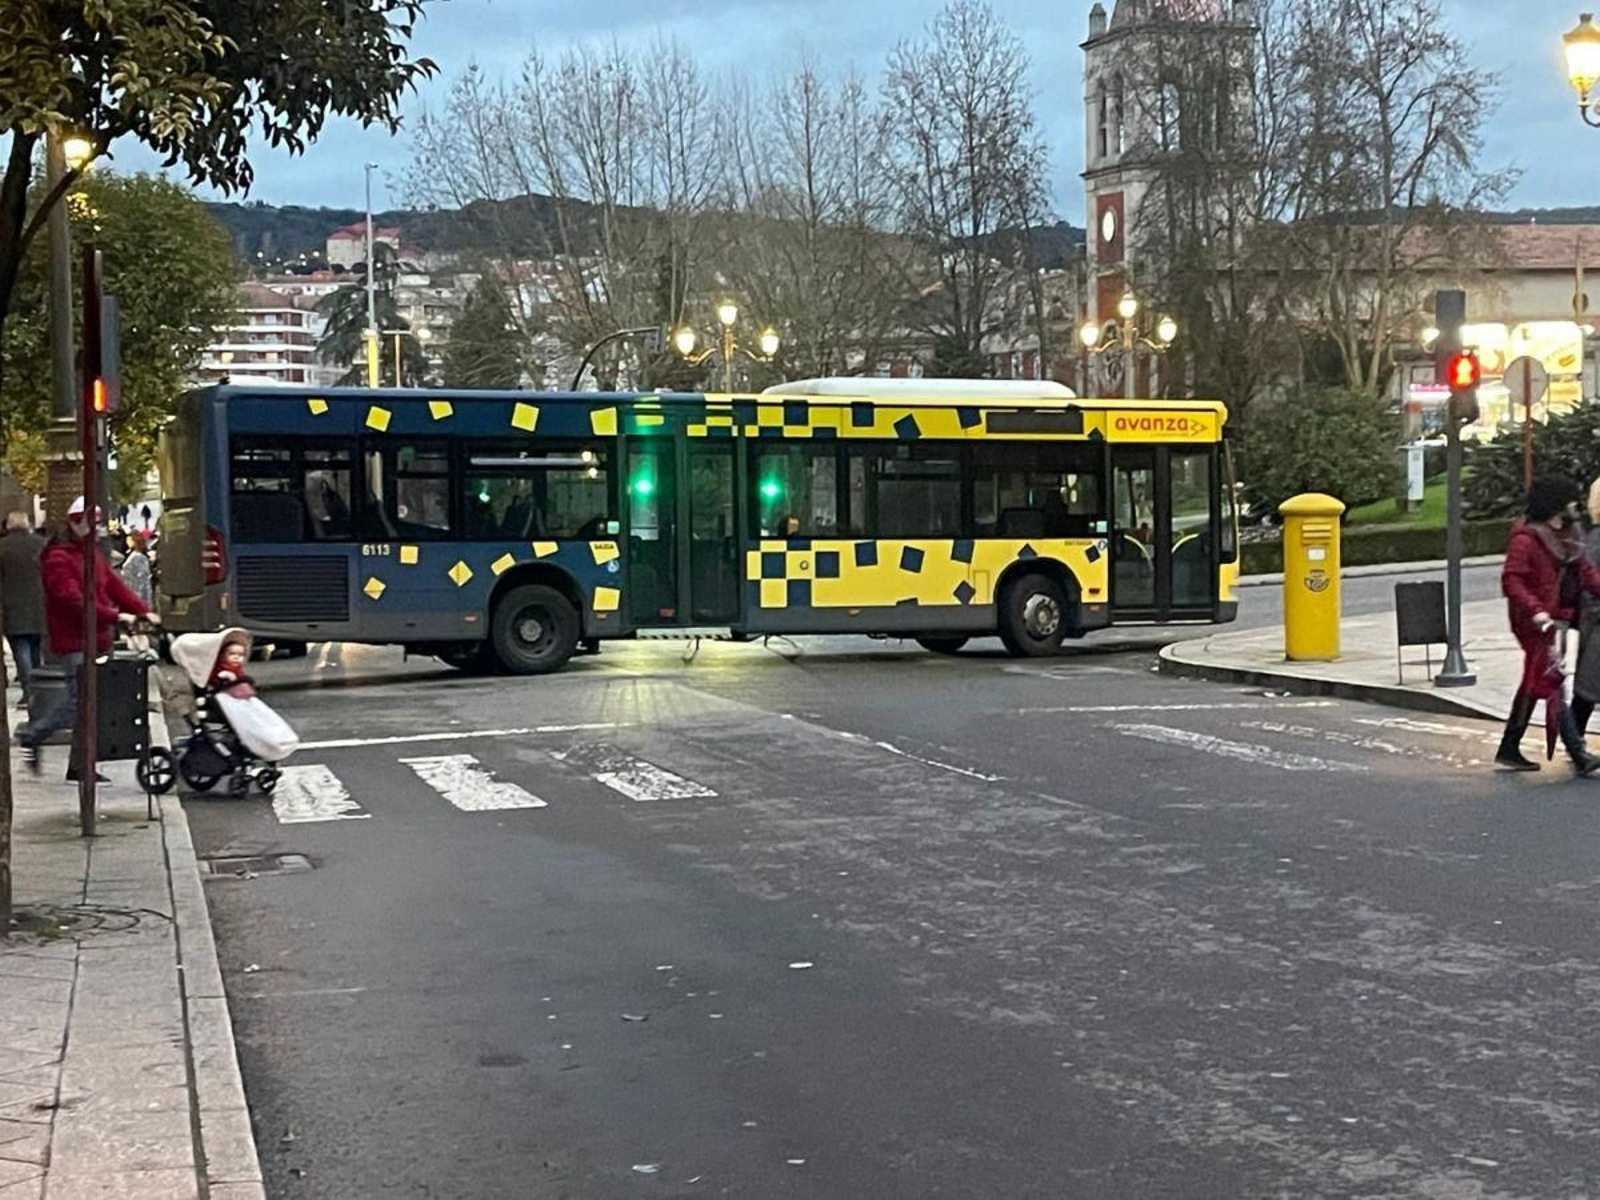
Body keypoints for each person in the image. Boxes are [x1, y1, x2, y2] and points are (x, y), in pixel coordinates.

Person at [18, 497, 153, 776]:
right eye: (91, 523)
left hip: (95, 636)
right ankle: (35, 733)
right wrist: (116, 616)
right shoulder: (58, 558)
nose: (96, 529)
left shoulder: (90, 554)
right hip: (74, 639)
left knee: (88, 704)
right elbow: (73, 601)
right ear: (75, 523)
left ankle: (80, 764)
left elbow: (115, 587)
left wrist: (142, 611)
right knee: (78, 701)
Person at [1497, 476, 1600, 775]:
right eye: (1570, 501)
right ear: (1557, 506)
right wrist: (1536, 611)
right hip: (1533, 623)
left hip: (1556, 619)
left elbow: (1587, 573)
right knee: (1551, 680)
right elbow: (1512, 580)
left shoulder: (1569, 535)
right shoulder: (1526, 539)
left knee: (1534, 680)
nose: (1576, 507)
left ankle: (1509, 747)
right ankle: (1579, 753)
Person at [0, 512, 45, 708]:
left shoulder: (2, 547)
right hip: (40, 606)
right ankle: (41, 690)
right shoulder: (41, 544)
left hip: (12, 607)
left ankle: (30, 692)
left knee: (21, 651)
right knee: (36, 650)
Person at [1576, 477, 1600, 737]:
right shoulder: (1597, 538)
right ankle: (1575, 739)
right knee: (1588, 689)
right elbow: (1588, 582)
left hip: (1593, 623)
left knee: (1588, 689)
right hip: (1596, 625)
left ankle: (1575, 738)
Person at [120, 531, 153, 609]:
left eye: (129, 540)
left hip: (136, 591)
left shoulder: (138, 557)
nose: (126, 542)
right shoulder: (132, 555)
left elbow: (142, 580)